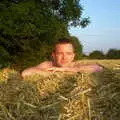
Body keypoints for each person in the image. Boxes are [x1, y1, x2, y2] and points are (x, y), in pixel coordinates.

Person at [21, 38, 103, 77]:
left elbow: (98, 68)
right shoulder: (48, 65)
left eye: (68, 53)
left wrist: (65, 70)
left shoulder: (77, 64)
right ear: (53, 55)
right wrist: (56, 73)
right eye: (60, 53)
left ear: (73, 56)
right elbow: (25, 73)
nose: (64, 57)